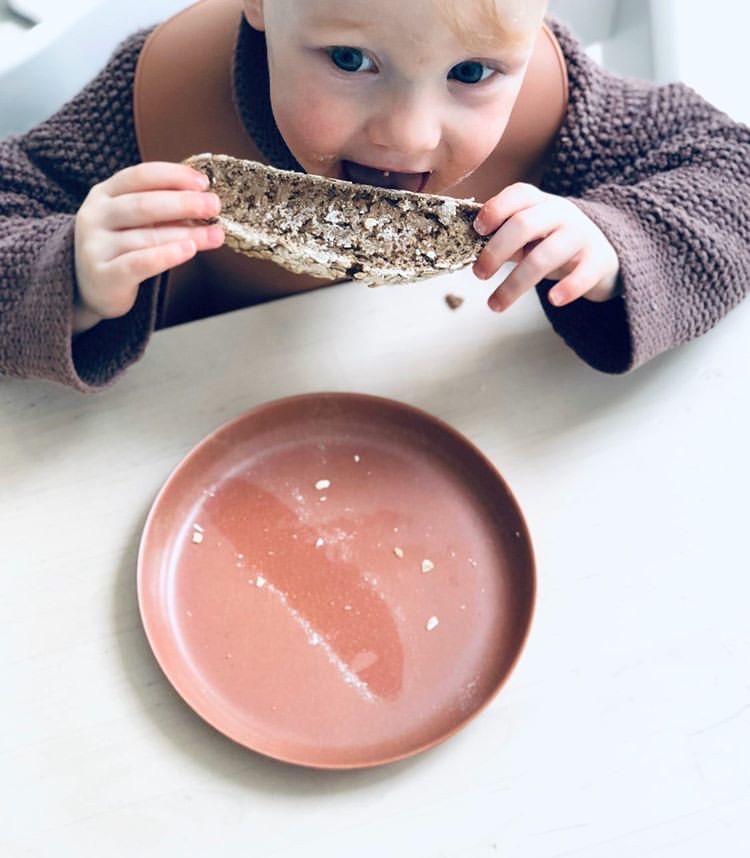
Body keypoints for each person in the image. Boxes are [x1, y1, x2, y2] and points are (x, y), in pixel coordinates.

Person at [0, 0, 748, 392]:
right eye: (351, 59)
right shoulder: (155, 98)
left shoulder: (563, 104)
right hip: (172, 437)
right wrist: (69, 273)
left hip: (463, 419)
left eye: (471, 73)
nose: (409, 135)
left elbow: (731, 171)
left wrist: (613, 241)